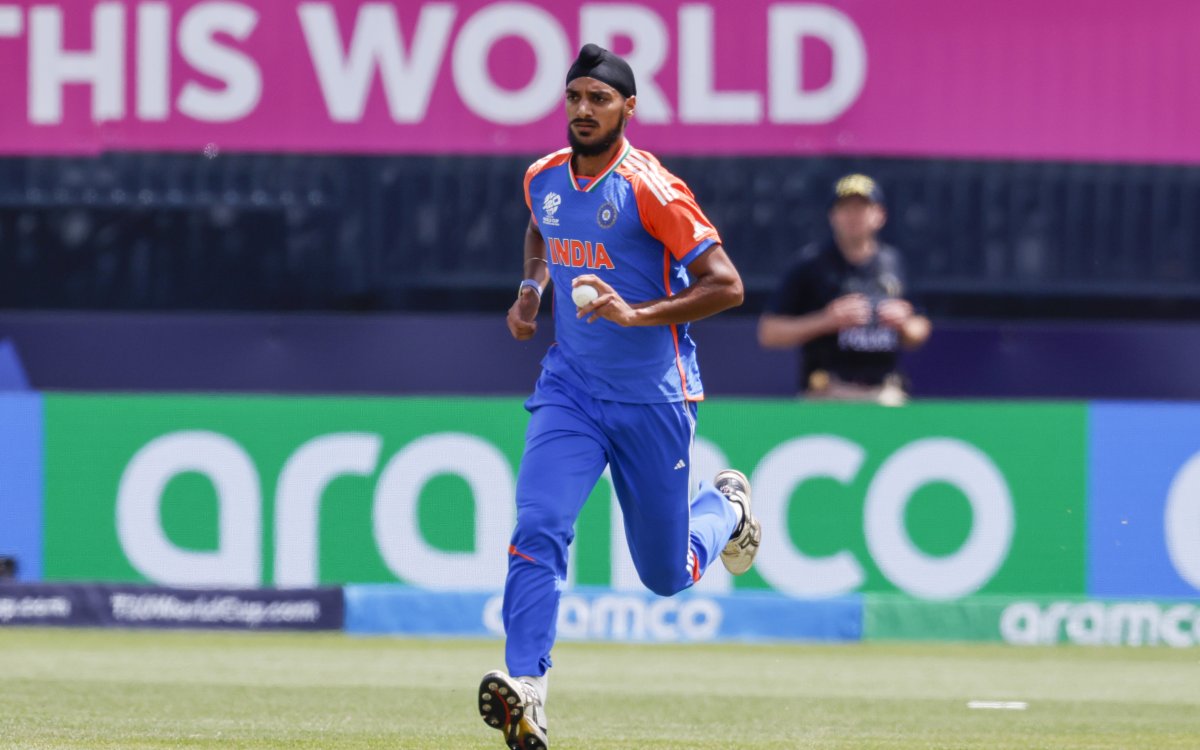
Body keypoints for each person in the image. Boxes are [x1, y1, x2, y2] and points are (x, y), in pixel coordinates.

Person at [478, 44, 762, 750]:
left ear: (628, 109)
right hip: (571, 390)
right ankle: (527, 689)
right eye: (575, 97)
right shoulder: (543, 176)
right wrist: (531, 289)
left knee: (666, 575)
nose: (583, 110)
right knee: (539, 524)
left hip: (653, 400)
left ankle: (727, 509)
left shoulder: (651, 189)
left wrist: (638, 315)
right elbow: (541, 228)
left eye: (599, 99)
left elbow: (727, 285)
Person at [757, 174, 931, 405]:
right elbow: (769, 332)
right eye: (845, 209)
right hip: (827, 393)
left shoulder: (894, 262)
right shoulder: (811, 264)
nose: (853, 216)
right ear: (832, 216)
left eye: (861, 209)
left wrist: (904, 324)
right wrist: (826, 321)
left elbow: (920, 328)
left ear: (880, 215)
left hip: (884, 394)